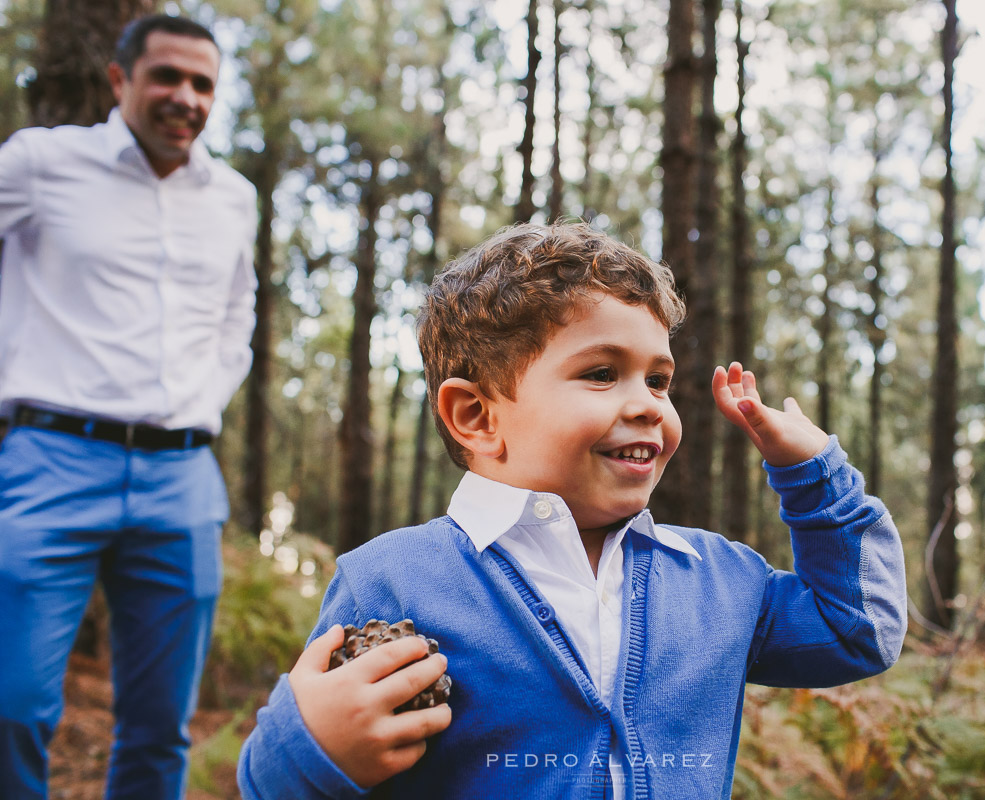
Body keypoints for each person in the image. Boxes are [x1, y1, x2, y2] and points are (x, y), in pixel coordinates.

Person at [238, 222, 905, 799]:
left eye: (659, 379)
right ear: (475, 416)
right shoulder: (390, 581)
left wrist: (816, 478)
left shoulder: (719, 579)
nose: (648, 403)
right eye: (600, 373)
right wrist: (309, 751)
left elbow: (857, 630)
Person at [0, 13, 257, 800]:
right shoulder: (40, 163)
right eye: (167, 77)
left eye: (203, 84)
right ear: (120, 81)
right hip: (50, 460)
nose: (186, 97)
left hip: (181, 477)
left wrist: (200, 404)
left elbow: (234, 320)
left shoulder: (234, 199)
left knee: (158, 726)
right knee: (14, 704)